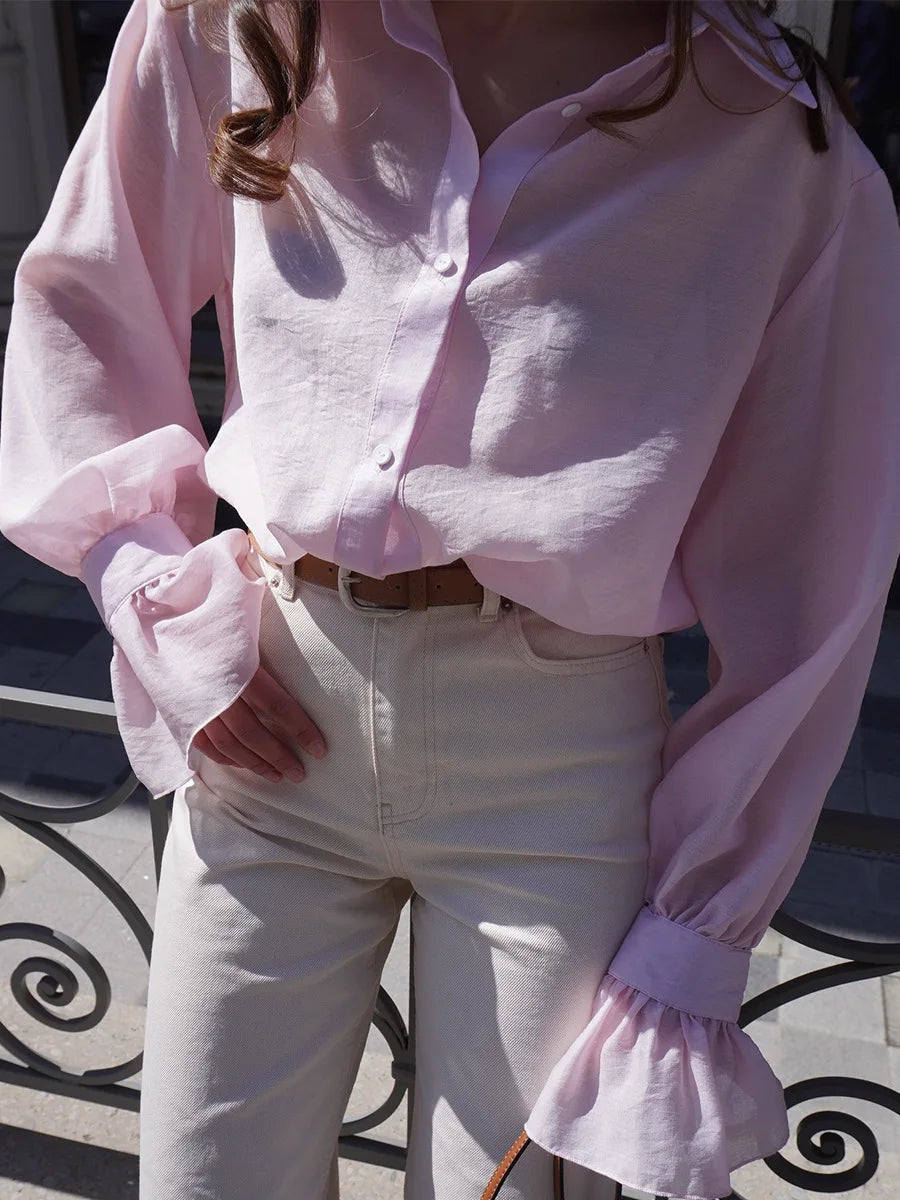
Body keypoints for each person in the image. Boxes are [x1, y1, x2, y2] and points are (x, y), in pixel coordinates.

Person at [1, 1, 899, 1197]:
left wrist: (703, 918)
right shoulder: (234, 22)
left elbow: (815, 565)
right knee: (203, 1179)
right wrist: (146, 589)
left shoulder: (771, 134)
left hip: (555, 771)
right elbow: (88, 304)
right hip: (268, 706)